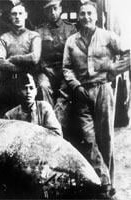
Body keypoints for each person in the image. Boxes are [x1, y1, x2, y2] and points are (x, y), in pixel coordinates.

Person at [63, 1, 129, 197]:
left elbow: (128, 53)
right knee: (88, 138)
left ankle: (107, 187)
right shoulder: (72, 41)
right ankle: (103, 180)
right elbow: (66, 68)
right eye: (82, 14)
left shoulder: (107, 36)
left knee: (105, 138)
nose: (86, 17)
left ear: (96, 16)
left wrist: (112, 72)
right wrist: (76, 85)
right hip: (82, 93)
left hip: (103, 90)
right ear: (79, 17)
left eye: (90, 13)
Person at [0, 3, 42, 116]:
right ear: (10, 17)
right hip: (8, 79)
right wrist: (22, 67)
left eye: (20, 13)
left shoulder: (34, 35)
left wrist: (13, 58)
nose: (17, 16)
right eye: (14, 14)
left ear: (25, 15)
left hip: (29, 80)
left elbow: (34, 58)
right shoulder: (4, 37)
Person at [36, 0, 76, 107]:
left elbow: (75, 54)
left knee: (66, 89)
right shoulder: (39, 31)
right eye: (49, 10)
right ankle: (48, 118)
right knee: (43, 86)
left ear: (60, 9)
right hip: (46, 71)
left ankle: (57, 120)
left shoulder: (70, 29)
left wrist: (67, 70)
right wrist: (44, 68)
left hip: (65, 70)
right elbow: (37, 55)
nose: (52, 12)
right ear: (45, 12)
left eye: (55, 8)